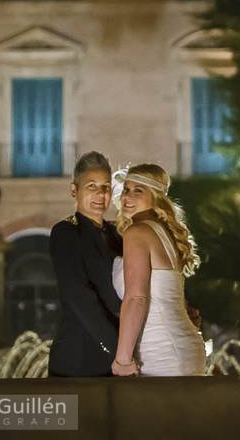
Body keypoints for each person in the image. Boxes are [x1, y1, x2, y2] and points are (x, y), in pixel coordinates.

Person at [110, 163, 206, 376]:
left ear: (156, 196)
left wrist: (123, 359)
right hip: (186, 344)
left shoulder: (137, 232)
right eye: (126, 189)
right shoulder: (165, 232)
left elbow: (136, 298)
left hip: (161, 350)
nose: (127, 196)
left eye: (138, 191)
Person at [47, 152, 123, 377]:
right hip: (79, 357)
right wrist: (119, 349)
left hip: (118, 358)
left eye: (106, 187)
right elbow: (78, 296)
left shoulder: (119, 235)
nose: (101, 194)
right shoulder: (66, 233)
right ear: (74, 190)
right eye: (92, 186)